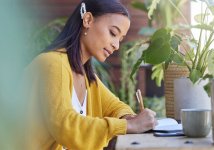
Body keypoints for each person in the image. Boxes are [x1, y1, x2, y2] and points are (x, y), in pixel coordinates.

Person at [24, 0, 158, 149]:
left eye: (120, 39)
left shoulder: (87, 76)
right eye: (113, 33)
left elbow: (115, 106)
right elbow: (65, 126)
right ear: (88, 20)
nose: (116, 45)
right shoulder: (52, 64)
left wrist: (128, 117)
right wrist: (128, 125)